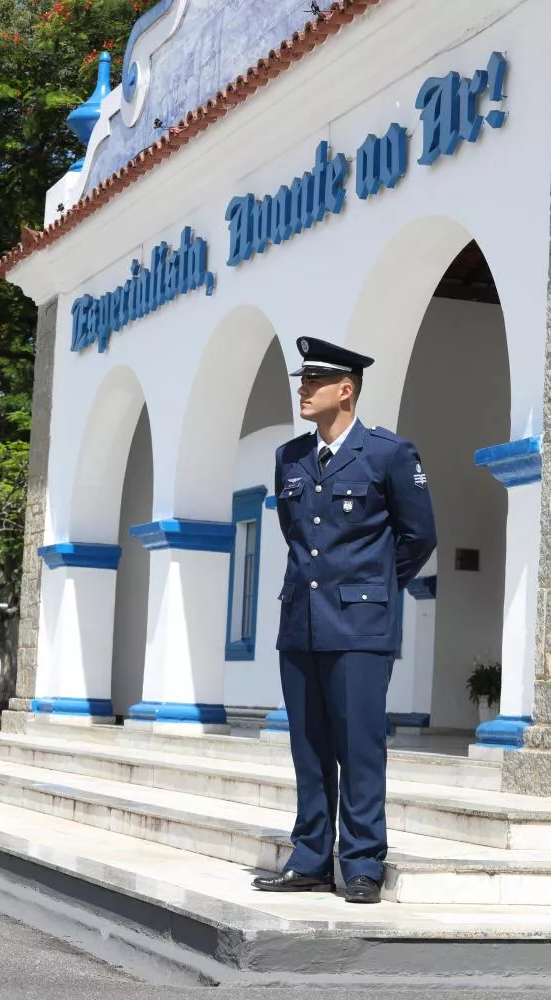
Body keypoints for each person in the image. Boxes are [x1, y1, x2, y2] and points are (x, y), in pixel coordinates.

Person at [252, 336, 436, 904]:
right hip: (301, 622)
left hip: (360, 628)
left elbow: (420, 536)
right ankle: (310, 857)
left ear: (346, 389)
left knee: (359, 748)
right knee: (308, 747)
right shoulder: (290, 456)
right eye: (302, 380)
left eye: (314, 381)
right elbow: (295, 531)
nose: (302, 390)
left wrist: (372, 590)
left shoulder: (389, 454)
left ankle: (361, 864)